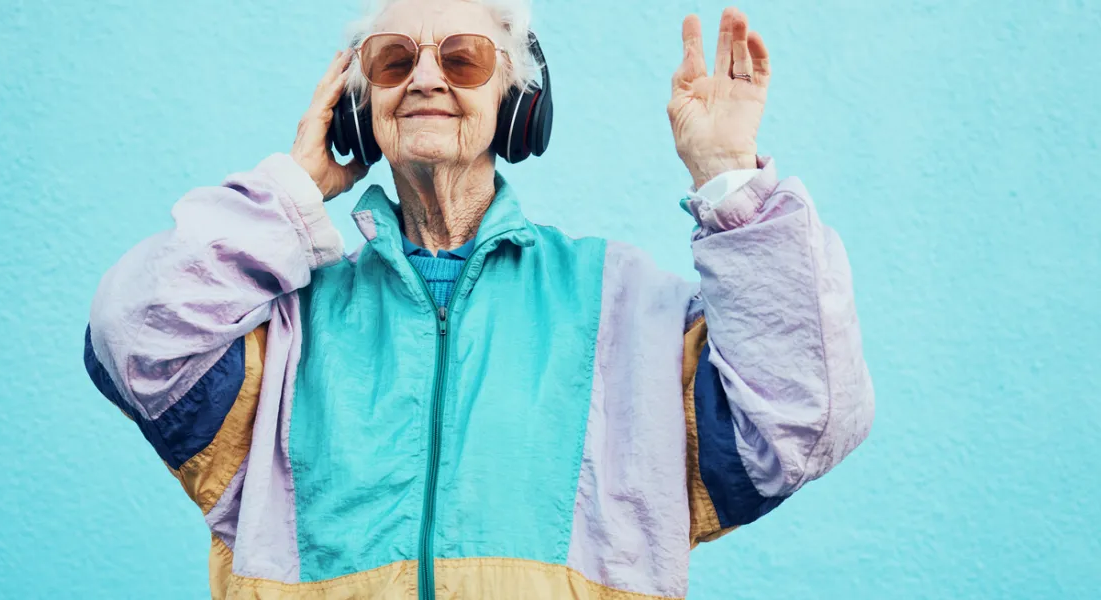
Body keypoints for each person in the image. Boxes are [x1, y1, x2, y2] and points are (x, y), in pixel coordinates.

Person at [83, 0, 874, 597]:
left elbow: (804, 420)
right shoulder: (286, 325)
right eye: (393, 62)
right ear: (360, 108)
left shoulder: (624, 308)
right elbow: (131, 339)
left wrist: (728, 176)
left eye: (462, 58)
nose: (425, 76)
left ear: (519, 101)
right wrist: (294, 191)